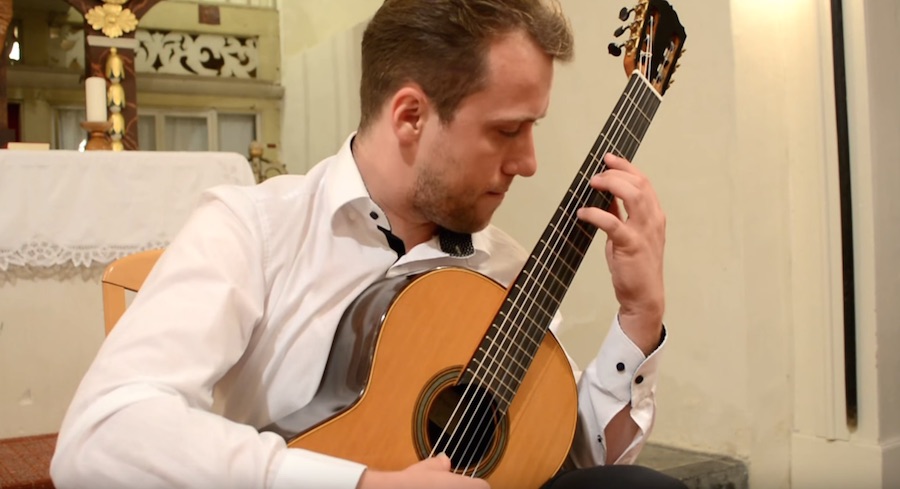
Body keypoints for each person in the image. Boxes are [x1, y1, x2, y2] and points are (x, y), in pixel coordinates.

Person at [51, 1, 685, 488]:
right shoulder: (253, 230)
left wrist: (640, 317)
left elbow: (569, 460)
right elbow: (100, 435)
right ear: (410, 116)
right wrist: (359, 483)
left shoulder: (506, 268)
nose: (528, 162)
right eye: (507, 130)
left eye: (532, 128)